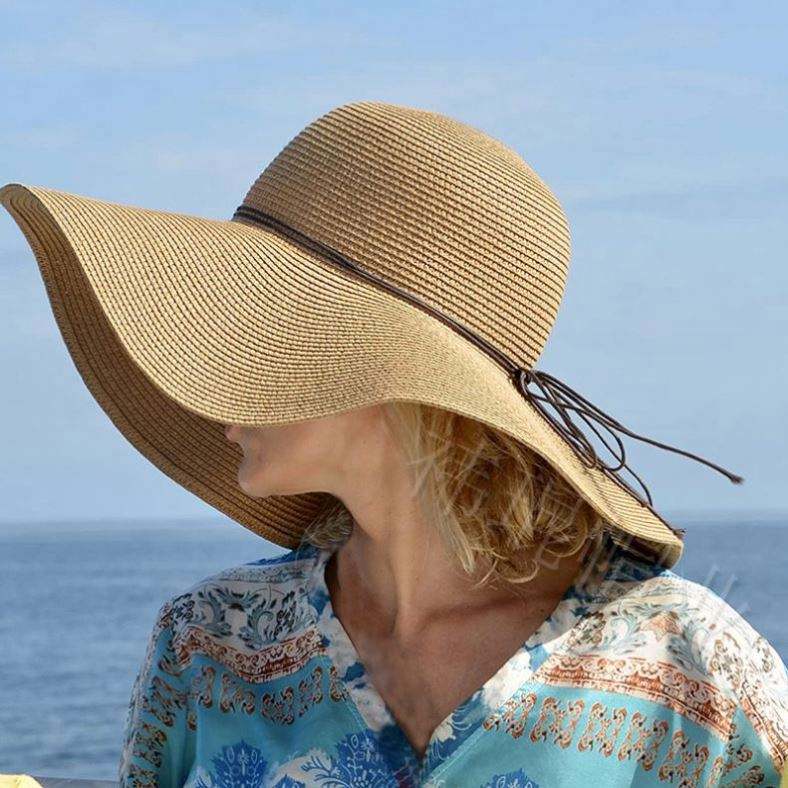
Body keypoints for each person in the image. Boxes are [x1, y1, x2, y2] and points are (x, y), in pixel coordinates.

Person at [0, 101, 785, 786]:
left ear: (386, 377)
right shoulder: (209, 643)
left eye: (254, 335)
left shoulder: (688, 665)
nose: (214, 385)